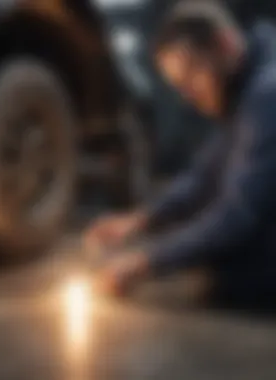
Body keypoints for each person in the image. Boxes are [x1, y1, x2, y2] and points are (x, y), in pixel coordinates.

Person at [85, 0, 276, 305]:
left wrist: (146, 262)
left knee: (228, 275)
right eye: (180, 87)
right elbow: (204, 174)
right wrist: (142, 219)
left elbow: (238, 215)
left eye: (192, 78)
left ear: (224, 45)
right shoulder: (244, 87)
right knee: (199, 245)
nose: (189, 97)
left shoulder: (267, 95)